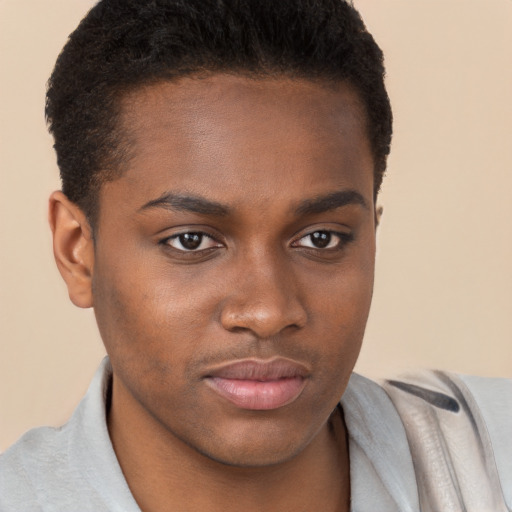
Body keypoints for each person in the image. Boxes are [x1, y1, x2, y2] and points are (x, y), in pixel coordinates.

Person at [0, 1, 510, 511]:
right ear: (77, 251)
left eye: (321, 239)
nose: (268, 312)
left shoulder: (492, 464)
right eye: (191, 241)